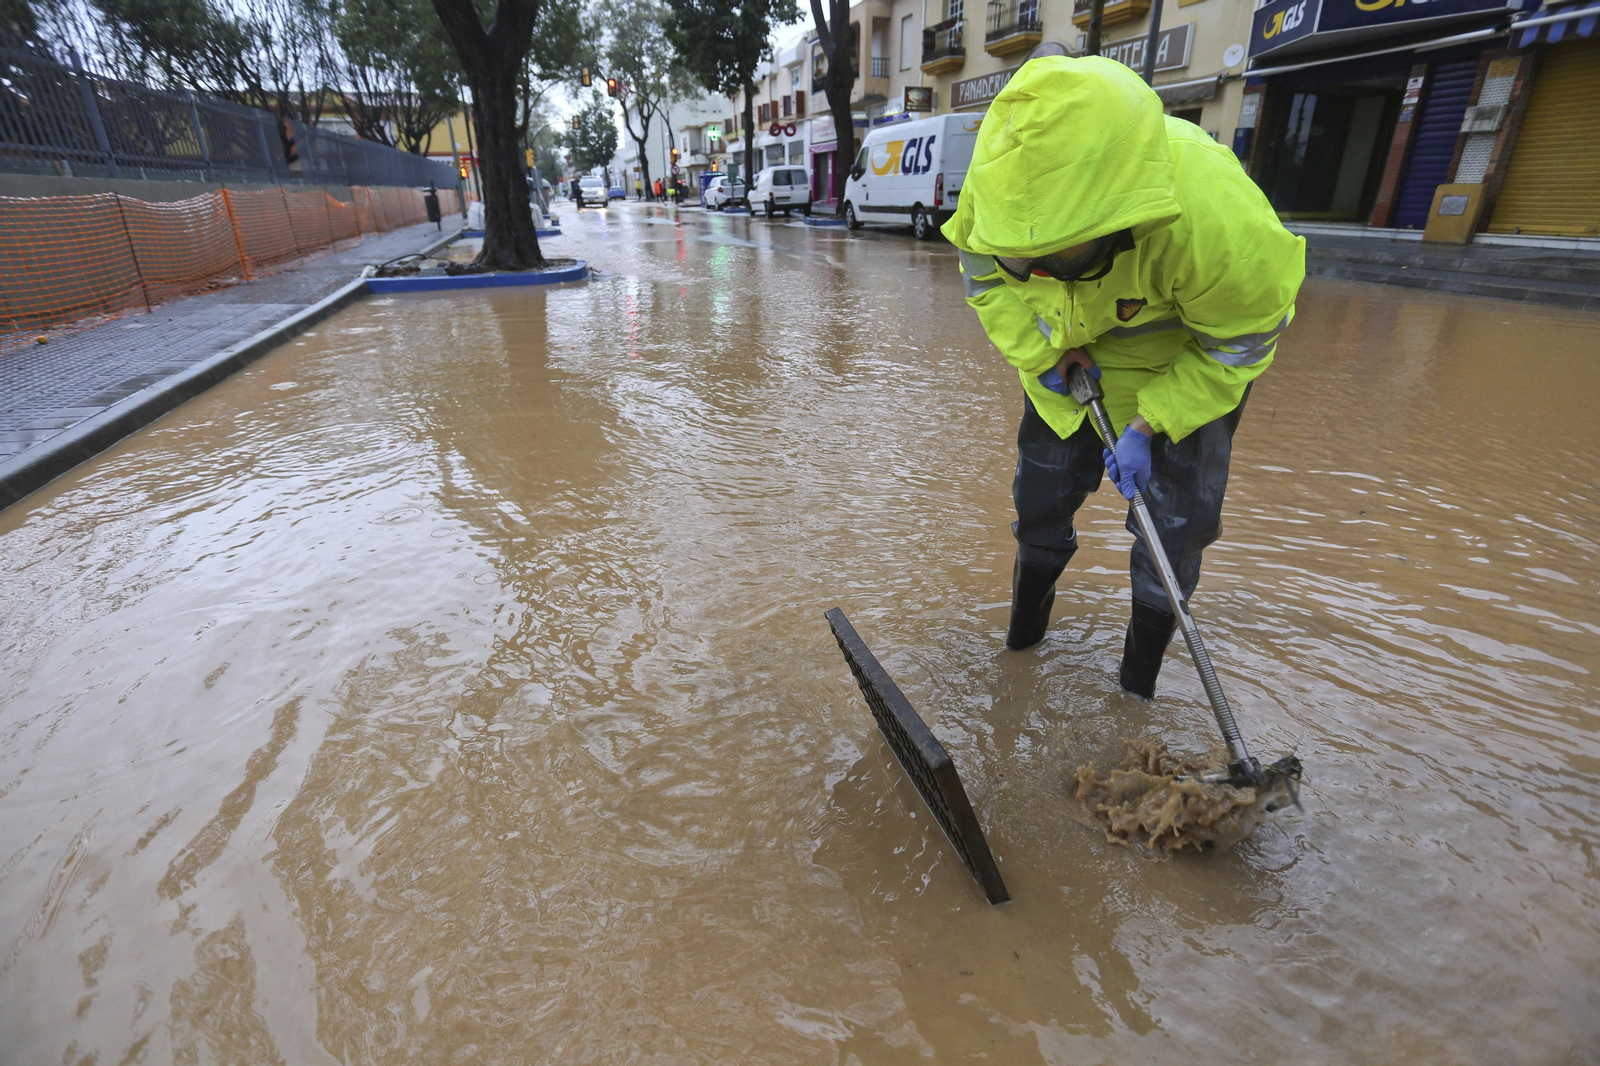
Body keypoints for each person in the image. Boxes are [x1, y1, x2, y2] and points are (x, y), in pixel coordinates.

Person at [943, 56, 1305, 698]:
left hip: (1183, 380)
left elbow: (1242, 343)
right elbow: (982, 275)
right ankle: (1020, 650)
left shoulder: (1215, 218)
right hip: (1064, 372)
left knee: (1173, 530)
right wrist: (1041, 355)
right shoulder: (1002, 179)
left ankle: (1135, 694)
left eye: (1064, 254)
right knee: (1040, 504)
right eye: (1029, 261)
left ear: (1122, 221)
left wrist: (1151, 421)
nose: (1042, 271)